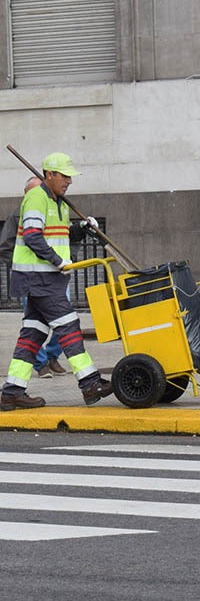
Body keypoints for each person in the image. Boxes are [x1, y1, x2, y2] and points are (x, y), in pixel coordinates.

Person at [3, 153, 112, 410]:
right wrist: (56, 261)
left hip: (48, 278)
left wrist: (82, 229)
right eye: (64, 176)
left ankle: (12, 392)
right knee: (68, 325)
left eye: (70, 176)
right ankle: (89, 383)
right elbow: (32, 236)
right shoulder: (36, 198)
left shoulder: (59, 203)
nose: (69, 181)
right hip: (38, 277)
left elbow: (58, 237)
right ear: (49, 175)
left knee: (33, 334)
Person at [2, 177, 69, 378]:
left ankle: (16, 385)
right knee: (64, 325)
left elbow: (62, 237)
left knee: (37, 327)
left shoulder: (56, 206)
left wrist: (65, 259)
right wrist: (22, 267)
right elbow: (8, 245)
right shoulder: (20, 215)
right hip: (32, 278)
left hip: (55, 275)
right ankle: (42, 365)